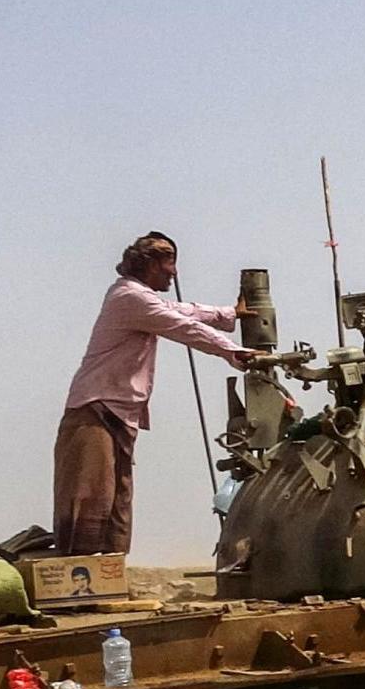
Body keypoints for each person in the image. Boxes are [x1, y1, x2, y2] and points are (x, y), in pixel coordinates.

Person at [54, 231, 248, 555]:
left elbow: (185, 311)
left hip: (120, 414)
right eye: (169, 261)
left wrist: (230, 314)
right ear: (149, 264)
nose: (174, 271)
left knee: (118, 500)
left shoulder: (142, 298)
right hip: (95, 409)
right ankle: (80, 585)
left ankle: (111, 579)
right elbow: (183, 326)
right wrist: (234, 351)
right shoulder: (129, 297)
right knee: (91, 499)